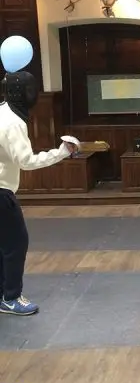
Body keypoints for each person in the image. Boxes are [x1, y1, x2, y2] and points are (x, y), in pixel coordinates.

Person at [0, 71, 78, 316]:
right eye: (29, 90)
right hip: (1, 193)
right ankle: (11, 297)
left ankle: (4, 295)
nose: (32, 95)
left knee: (3, 244)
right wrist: (62, 152)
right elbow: (26, 161)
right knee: (16, 244)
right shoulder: (13, 122)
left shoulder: (2, 111)